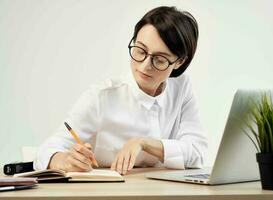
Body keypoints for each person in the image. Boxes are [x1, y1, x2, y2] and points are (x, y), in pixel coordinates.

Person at [34, 6, 208, 175]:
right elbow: (45, 151)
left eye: (160, 59)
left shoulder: (181, 87)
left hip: (159, 191)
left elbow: (198, 153)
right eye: (140, 50)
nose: (145, 65)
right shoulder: (101, 96)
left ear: (179, 62)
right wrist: (64, 160)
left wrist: (144, 143)